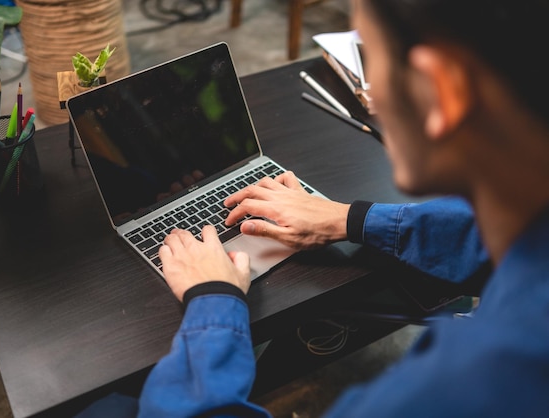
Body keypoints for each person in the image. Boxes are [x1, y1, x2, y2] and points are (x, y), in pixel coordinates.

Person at [77, 0, 549, 416]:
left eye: (367, 57)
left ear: (440, 91)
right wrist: (350, 219)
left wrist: (213, 303)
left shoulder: (461, 388)